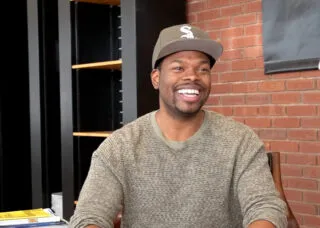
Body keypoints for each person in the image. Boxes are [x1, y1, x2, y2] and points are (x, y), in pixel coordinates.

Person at [68, 24, 288, 228]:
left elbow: (266, 206)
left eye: (203, 69)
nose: (192, 76)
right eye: (178, 68)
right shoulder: (120, 146)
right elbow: (89, 216)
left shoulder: (240, 140)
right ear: (156, 78)